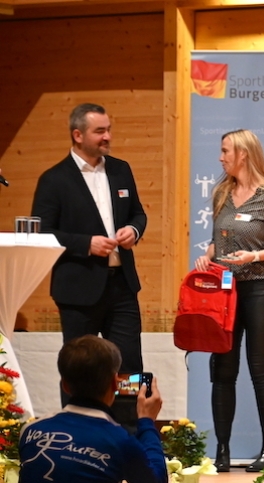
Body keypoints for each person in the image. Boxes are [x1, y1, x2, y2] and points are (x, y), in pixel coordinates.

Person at [194, 129, 264, 472]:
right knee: (222, 370)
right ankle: (222, 451)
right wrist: (208, 255)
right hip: (224, 292)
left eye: (226, 151)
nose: (221, 157)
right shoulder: (222, 193)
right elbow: (219, 240)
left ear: (243, 154)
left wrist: (254, 256)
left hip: (261, 289)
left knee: (260, 370)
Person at [30, 103, 147, 404]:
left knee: (130, 368)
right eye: (100, 131)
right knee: (78, 370)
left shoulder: (121, 169)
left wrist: (133, 231)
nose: (108, 136)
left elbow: (138, 214)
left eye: (109, 130)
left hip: (122, 285)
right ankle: (76, 428)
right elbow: (41, 231)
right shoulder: (54, 179)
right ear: (78, 135)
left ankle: (128, 427)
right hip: (77, 290)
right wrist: (86, 244)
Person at [19, 335, 165, 483]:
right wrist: (147, 422)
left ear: (64, 386)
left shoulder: (29, 430)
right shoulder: (120, 441)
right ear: (115, 384)